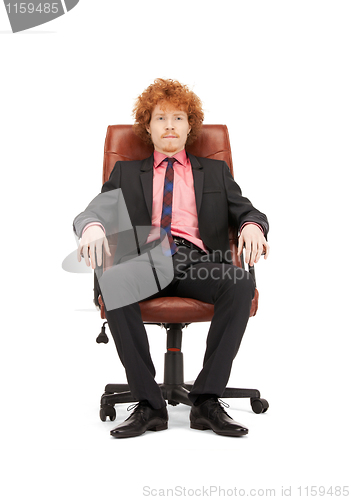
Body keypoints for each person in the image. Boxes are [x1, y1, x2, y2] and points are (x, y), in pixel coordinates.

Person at [73, 78, 269, 438]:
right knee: (114, 281)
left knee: (241, 283)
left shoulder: (214, 172)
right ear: (147, 126)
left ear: (190, 125)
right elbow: (92, 211)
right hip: (146, 261)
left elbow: (248, 210)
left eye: (178, 118)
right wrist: (92, 228)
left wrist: (252, 226)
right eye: (160, 118)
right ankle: (149, 405)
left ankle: (207, 401)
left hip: (196, 263)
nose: (169, 126)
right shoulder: (127, 172)